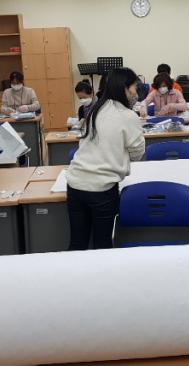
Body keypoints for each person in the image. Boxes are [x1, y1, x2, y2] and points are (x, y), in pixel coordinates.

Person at [65, 67, 146, 250]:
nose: (136, 92)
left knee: (77, 243)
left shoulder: (96, 108)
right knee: (102, 244)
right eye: (134, 86)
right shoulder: (127, 116)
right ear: (124, 88)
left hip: (75, 184)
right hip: (101, 188)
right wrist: (119, 153)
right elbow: (137, 153)